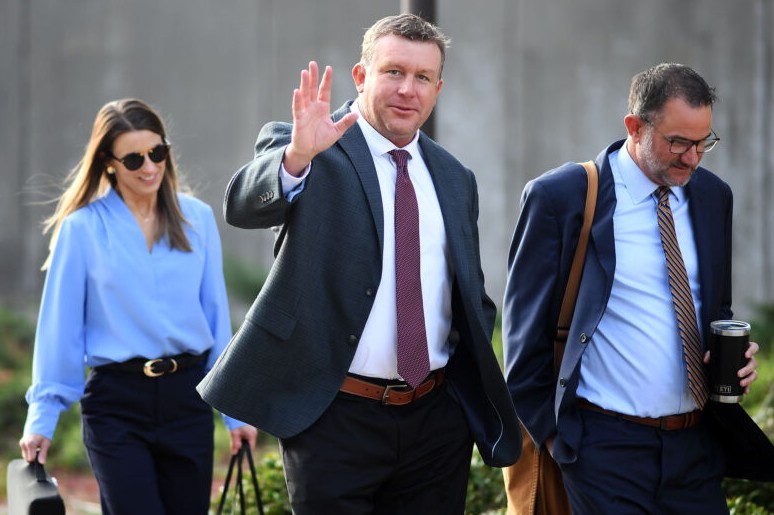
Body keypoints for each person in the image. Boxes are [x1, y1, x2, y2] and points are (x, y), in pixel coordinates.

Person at [198, 13, 520, 514]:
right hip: (333, 419)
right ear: (361, 75)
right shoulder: (312, 145)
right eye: (394, 71)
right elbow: (242, 206)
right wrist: (296, 157)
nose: (408, 89)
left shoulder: (455, 178)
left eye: (423, 77)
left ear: (437, 89)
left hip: (435, 423)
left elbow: (467, 294)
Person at [503, 62, 774, 514]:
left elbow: (715, 310)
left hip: (695, 448)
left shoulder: (713, 196)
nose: (692, 158)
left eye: (703, 143)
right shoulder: (561, 197)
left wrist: (733, 361)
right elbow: (522, 341)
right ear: (635, 127)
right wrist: (558, 441)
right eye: (678, 142)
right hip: (603, 451)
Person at [19, 98, 257, 515]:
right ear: (109, 163)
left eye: (157, 152)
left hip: (187, 399)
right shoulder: (82, 229)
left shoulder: (197, 220)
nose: (149, 167)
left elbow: (217, 321)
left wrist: (235, 411)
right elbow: (60, 328)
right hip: (116, 404)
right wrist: (42, 416)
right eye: (133, 159)